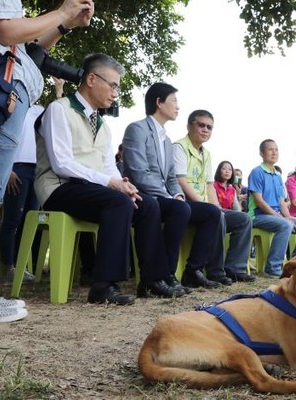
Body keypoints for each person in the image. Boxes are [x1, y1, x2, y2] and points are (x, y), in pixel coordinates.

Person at [35, 54, 187, 305]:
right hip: (59, 188)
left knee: (147, 204)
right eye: (113, 85)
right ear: (92, 79)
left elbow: (108, 166)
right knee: (119, 203)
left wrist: (124, 186)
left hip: (93, 190)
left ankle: (152, 280)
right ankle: (104, 285)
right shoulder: (59, 109)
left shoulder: (103, 125)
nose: (116, 92)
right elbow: (61, 163)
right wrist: (111, 184)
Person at [0, 0, 94, 323]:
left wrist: (65, 23)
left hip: (7, 90)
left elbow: (26, 47)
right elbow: (4, 31)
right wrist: (60, 12)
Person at [122, 82, 201, 295]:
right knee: (178, 209)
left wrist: (176, 194)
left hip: (164, 197)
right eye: (174, 101)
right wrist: (168, 195)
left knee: (204, 211)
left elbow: (172, 177)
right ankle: (158, 277)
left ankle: (175, 273)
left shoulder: (166, 140)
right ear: (159, 102)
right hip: (143, 196)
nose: (178, 107)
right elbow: (139, 173)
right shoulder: (137, 129)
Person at [0, 77, 65, 284]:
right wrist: (7, 169)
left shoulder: (38, 110)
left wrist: (59, 90)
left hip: (36, 171)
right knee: (12, 220)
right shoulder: (11, 103)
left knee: (31, 221)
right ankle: (8, 267)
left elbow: (58, 118)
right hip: (15, 168)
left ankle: (21, 268)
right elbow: (0, 135)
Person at [172, 109, 235, 287]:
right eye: (201, 125)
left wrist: (216, 206)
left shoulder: (206, 153)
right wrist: (209, 207)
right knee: (214, 214)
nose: (205, 130)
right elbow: (181, 181)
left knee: (242, 220)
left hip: (204, 204)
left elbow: (209, 185)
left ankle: (233, 268)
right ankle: (207, 271)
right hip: (183, 202)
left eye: (209, 127)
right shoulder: (179, 147)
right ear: (189, 125)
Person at [247, 139, 296, 277]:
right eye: (270, 149)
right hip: (258, 216)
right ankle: (272, 268)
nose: (274, 152)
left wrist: (287, 216)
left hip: (276, 216)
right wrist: (281, 218)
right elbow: (259, 202)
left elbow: (282, 201)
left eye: (276, 149)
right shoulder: (257, 172)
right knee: (285, 225)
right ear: (262, 153)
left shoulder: (277, 175)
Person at [213, 160, 255, 282]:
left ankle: (235, 269)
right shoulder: (213, 185)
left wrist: (242, 213)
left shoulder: (231, 189)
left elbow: (236, 208)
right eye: (224, 168)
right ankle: (217, 269)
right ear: (218, 171)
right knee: (220, 215)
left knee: (245, 219)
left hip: (228, 215)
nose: (227, 171)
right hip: (217, 213)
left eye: (229, 169)